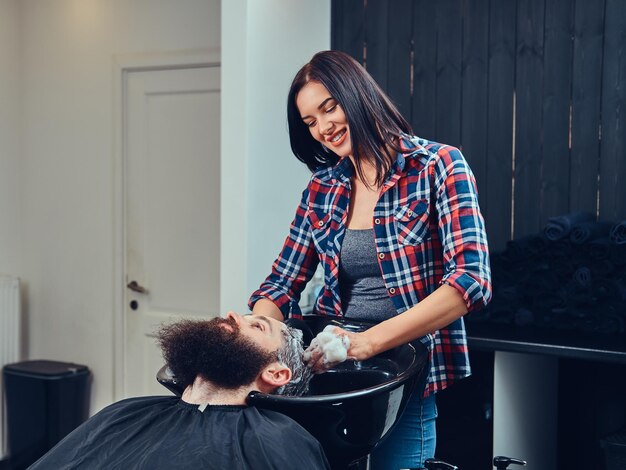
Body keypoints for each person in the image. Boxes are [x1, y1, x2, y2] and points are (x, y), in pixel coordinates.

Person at [249, 50, 491, 469]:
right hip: (330, 373)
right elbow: (280, 284)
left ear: (357, 94)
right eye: (310, 121)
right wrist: (255, 341)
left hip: (403, 369)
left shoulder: (438, 166)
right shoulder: (320, 190)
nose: (323, 128)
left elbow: (470, 281)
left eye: (329, 107)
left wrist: (367, 342)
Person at [29, 313, 328, 470]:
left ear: (275, 373)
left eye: (258, 327)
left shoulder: (276, 441)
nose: (233, 315)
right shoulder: (125, 412)